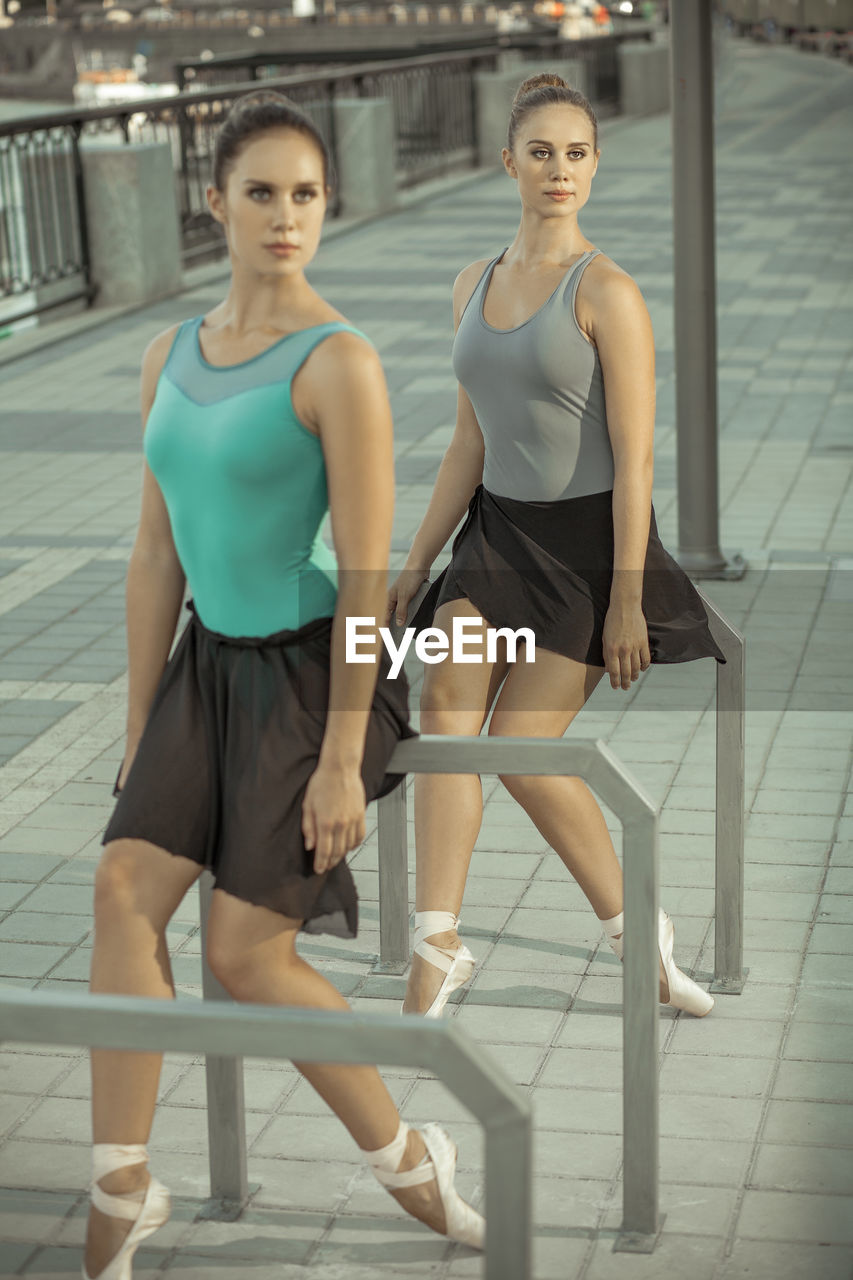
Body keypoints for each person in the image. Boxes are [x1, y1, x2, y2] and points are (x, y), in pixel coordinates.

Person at [83, 91, 483, 1280]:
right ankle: (120, 1185)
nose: (286, 214)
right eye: (260, 191)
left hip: (319, 677)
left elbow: (366, 569)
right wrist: (140, 717)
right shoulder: (170, 353)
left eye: (305, 193)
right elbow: (156, 552)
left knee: (246, 955)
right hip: (207, 669)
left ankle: (410, 1154)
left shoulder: (340, 361)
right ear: (213, 202)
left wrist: (341, 754)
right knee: (118, 888)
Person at [387, 73, 725, 1023]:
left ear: (593, 164)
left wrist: (626, 596)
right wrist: (416, 561)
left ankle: (638, 934)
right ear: (508, 163)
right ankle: (436, 946)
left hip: (586, 550)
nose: (558, 169)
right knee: (445, 718)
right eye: (540, 151)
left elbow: (636, 455)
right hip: (493, 537)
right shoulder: (472, 282)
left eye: (576, 152)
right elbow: (467, 438)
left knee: (523, 752)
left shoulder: (608, 293)